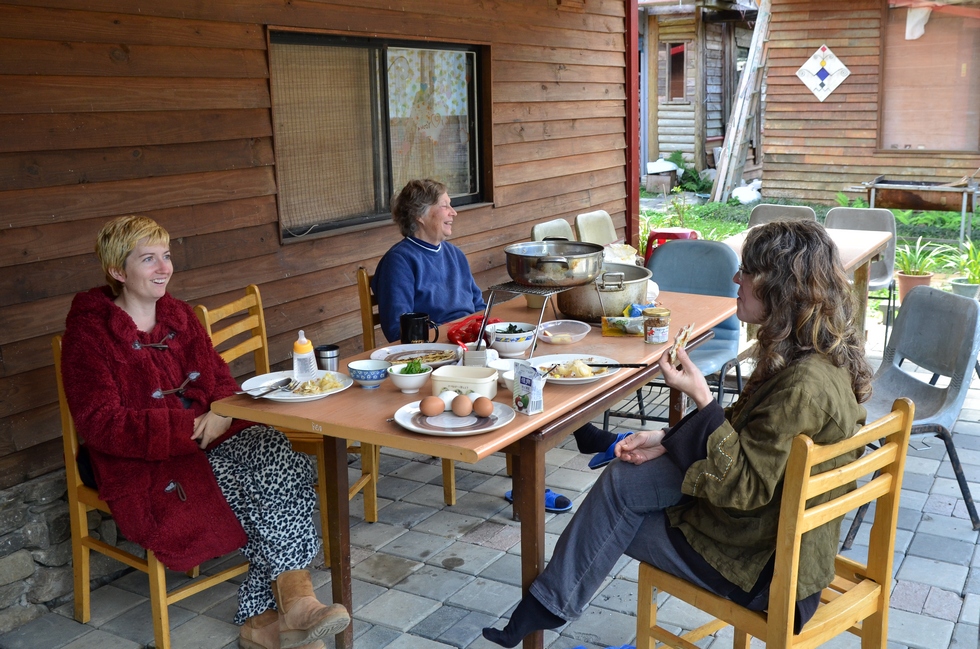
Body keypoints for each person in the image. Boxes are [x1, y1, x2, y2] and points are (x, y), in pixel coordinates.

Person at [483, 220, 873, 647]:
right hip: (769, 535)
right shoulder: (810, 354)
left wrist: (702, 399)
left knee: (617, 519)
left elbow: (742, 486)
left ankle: (546, 605)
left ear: (781, 286)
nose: (735, 278)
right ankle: (545, 605)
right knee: (623, 479)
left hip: (762, 567)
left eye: (747, 271)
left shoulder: (803, 386)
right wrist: (668, 438)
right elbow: (753, 437)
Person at [61, 216, 350, 649]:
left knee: (272, 448)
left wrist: (219, 412)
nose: (164, 268)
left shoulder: (178, 315)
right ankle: (283, 614)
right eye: (148, 259)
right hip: (146, 464)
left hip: (211, 440)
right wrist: (185, 429)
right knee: (275, 479)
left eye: (166, 256)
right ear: (118, 271)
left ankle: (287, 614)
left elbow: (219, 380)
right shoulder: (90, 335)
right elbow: (101, 423)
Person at [373, 180, 625, 511]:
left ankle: (585, 437)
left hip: (477, 345)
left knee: (539, 365)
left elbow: (478, 306)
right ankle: (537, 479)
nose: (454, 212)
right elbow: (398, 330)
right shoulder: (400, 262)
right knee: (517, 384)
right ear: (420, 215)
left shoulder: (453, 254)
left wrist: (485, 332)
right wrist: (456, 337)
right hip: (440, 359)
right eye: (446, 205)